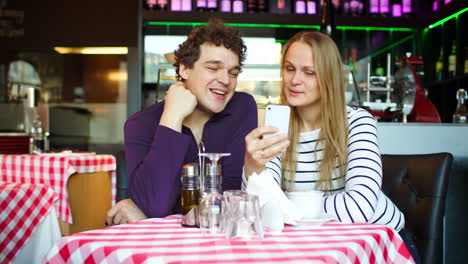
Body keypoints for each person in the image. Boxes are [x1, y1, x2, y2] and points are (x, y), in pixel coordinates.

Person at [242, 31, 419, 261]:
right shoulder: (276, 126)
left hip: (379, 245)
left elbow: (359, 206)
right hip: (317, 244)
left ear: (329, 77)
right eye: (289, 68)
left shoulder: (357, 121)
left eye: (309, 72)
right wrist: (251, 166)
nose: (295, 80)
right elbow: (261, 209)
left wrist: (287, 208)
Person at [106, 19, 258, 225]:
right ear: (184, 69)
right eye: (213, 68)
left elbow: (232, 193)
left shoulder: (242, 107)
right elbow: (154, 203)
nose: (226, 80)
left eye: (233, 72)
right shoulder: (140, 124)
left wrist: (151, 211)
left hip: (223, 239)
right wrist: (172, 118)